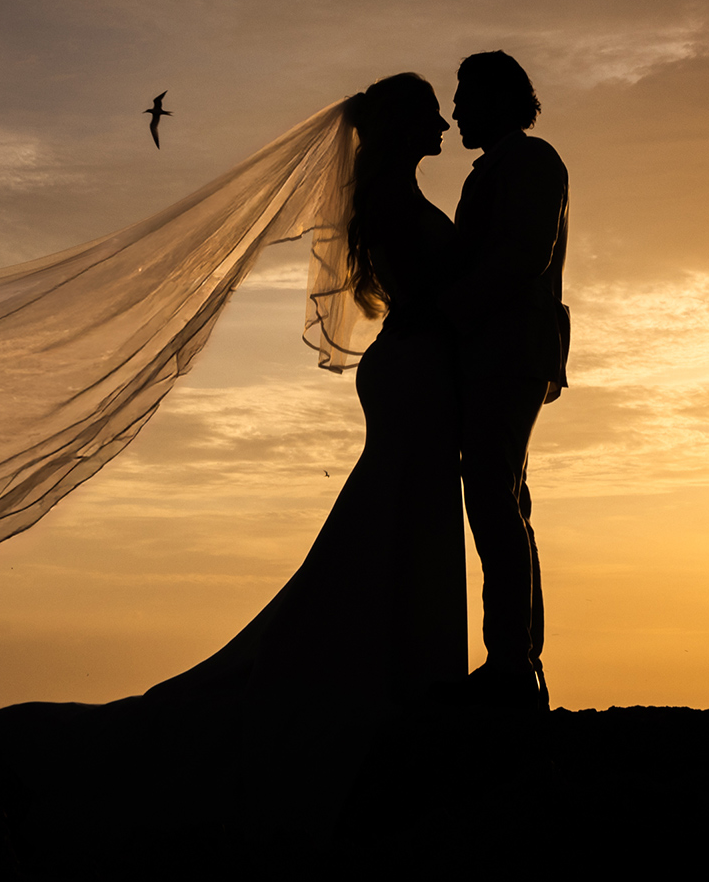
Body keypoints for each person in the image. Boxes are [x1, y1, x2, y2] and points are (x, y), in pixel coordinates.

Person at [141, 73, 467, 715]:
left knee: (401, 510)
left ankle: (396, 666)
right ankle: (372, 672)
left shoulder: (397, 194)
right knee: (401, 510)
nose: (445, 125)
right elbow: (423, 292)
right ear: (403, 125)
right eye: (432, 114)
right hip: (412, 371)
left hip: (416, 368)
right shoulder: (391, 204)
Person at [443, 50, 569, 713]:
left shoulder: (531, 161)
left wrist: (444, 314)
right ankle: (517, 660)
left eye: (465, 95)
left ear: (498, 96)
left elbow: (524, 256)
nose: (457, 109)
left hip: (510, 353)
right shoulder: (496, 169)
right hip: (495, 353)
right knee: (503, 500)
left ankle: (513, 664)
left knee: (493, 498)